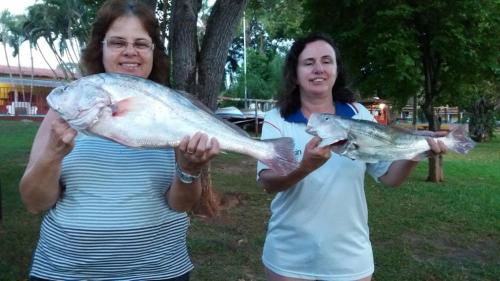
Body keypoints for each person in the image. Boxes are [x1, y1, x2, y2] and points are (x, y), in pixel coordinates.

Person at [19, 1, 219, 280]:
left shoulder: (172, 110)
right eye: (117, 42)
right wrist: (53, 154)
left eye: (141, 43)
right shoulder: (64, 113)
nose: (130, 52)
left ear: (152, 51)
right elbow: (33, 202)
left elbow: (180, 205)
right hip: (66, 271)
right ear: (99, 48)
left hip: (158, 271)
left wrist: (189, 168)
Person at [256, 33, 447, 281]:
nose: (319, 69)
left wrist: (416, 153)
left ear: (336, 69)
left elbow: (390, 177)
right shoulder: (277, 118)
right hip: (288, 256)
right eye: (308, 62)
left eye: (327, 61)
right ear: (295, 72)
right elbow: (267, 183)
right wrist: (304, 167)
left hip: (349, 258)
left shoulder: (359, 115)